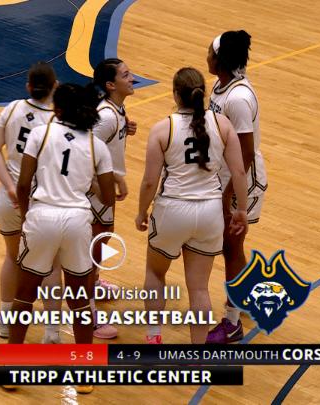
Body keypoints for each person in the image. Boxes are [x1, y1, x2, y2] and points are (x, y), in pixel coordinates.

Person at [9, 83, 115, 393]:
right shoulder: (97, 145)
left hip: (42, 215)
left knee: (24, 294)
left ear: (58, 109)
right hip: (78, 221)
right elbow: (108, 198)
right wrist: (87, 180)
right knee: (80, 299)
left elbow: (23, 184)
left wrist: (27, 216)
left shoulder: (40, 134)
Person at [135, 67, 248, 344]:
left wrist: (141, 211)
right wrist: (241, 210)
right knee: (199, 289)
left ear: (176, 94)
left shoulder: (163, 128)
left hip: (172, 210)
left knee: (155, 273)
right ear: (203, 93)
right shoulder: (222, 124)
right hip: (209, 212)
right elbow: (239, 172)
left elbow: (150, 181)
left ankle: (154, 338)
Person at [0, 62, 62, 343]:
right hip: (43, 200)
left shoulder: (13, 108)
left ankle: (6, 321)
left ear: (29, 86)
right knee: (51, 264)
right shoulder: (56, 120)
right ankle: (51, 332)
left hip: (11, 199)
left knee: (12, 257)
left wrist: (9, 186)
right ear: (55, 86)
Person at [205, 30, 268, 344]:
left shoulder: (239, 98)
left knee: (230, 246)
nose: (206, 56)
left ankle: (231, 322)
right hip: (224, 174)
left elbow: (245, 153)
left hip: (241, 179)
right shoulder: (220, 86)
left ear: (220, 60)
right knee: (231, 246)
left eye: (209, 52)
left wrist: (229, 192)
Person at [87, 58, 137, 339]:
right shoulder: (106, 116)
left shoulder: (115, 110)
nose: (132, 78)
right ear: (110, 85)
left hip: (105, 186)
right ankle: (89, 315)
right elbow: (85, 150)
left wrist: (124, 127)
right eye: (126, 75)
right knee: (92, 248)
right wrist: (100, 188)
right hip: (95, 189)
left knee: (103, 238)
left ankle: (93, 285)